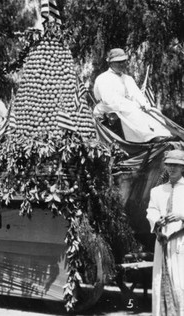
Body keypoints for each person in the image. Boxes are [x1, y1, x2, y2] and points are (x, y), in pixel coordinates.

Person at [93, 48, 172, 143]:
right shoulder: (103, 78)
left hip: (127, 105)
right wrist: (132, 105)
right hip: (109, 107)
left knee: (153, 111)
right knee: (133, 112)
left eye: (123, 61)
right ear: (110, 63)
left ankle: (161, 134)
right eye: (118, 62)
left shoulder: (128, 78)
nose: (121, 64)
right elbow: (109, 99)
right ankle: (147, 138)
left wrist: (144, 104)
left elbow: (137, 94)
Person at [146, 149, 184, 315]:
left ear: (182, 167)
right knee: (160, 280)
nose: (172, 168)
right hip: (162, 242)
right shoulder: (157, 191)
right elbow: (151, 211)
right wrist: (157, 221)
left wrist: (181, 216)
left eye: (176, 165)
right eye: (169, 164)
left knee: (180, 282)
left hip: (181, 243)